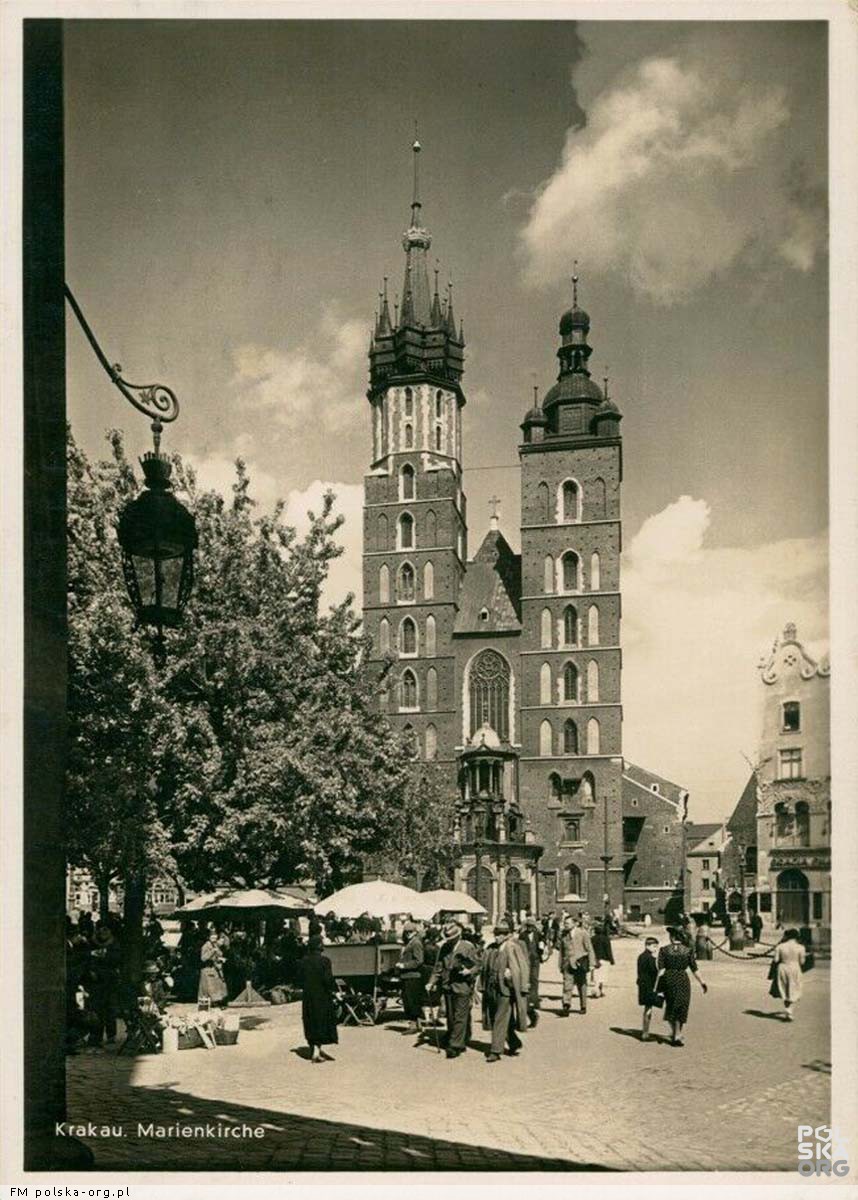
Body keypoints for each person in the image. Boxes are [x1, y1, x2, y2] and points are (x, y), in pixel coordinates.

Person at [427, 920, 481, 1058]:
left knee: (459, 1016)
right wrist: (431, 982)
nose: (449, 941)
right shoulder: (444, 948)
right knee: (451, 1016)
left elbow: (478, 965)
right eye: (448, 938)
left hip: (462, 986)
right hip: (447, 986)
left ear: (458, 936)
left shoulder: (467, 947)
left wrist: (469, 972)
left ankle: (455, 1045)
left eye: (452, 938)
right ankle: (460, 1036)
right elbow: (438, 967)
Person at [481, 919, 528, 1062]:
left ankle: (495, 1050)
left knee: (499, 1019)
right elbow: (485, 967)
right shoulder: (491, 948)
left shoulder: (512, 947)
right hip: (492, 988)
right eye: (496, 933)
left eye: (501, 934)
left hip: (506, 989)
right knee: (499, 1017)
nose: (497, 936)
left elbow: (522, 967)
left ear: (507, 935)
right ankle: (514, 1042)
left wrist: (513, 974)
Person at [655, 925, 707, 1045]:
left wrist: (657, 987)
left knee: (671, 1006)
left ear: (672, 937)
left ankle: (676, 1033)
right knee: (682, 1006)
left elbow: (661, 970)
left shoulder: (664, 950)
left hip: (669, 979)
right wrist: (702, 982)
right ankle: (677, 1034)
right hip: (683, 979)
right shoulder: (688, 951)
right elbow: (695, 969)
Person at [298, 935, 338, 1062]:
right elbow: (328, 980)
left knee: (310, 1021)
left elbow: (299, 980)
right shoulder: (325, 961)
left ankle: (314, 1050)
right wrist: (334, 991)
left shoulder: (303, 961)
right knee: (321, 1022)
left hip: (308, 996)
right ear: (320, 947)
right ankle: (316, 1052)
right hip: (322, 996)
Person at [88, 924, 121, 1045]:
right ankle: (96, 1035)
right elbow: (88, 960)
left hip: (110, 981)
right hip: (96, 981)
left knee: (111, 1009)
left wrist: (103, 957)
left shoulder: (115, 944)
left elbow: (116, 959)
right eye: (101, 930)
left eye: (106, 930)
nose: (103, 932)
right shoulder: (92, 943)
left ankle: (111, 1035)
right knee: (97, 1009)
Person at [559, 914, 594, 1015]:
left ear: (574, 924)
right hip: (567, 964)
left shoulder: (583, 933)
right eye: (564, 923)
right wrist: (560, 965)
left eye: (567, 923)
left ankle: (583, 1005)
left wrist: (591, 964)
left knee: (582, 985)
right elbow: (561, 951)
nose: (565, 925)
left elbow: (589, 948)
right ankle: (566, 1006)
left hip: (580, 964)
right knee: (567, 985)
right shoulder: (563, 935)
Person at [396, 922, 426, 1034]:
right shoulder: (411, 942)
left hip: (412, 975)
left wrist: (404, 965)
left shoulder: (416, 943)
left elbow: (419, 960)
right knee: (411, 1000)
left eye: (410, 932)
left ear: (415, 932)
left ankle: (413, 1025)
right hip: (409, 975)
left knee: (411, 1001)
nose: (408, 934)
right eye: (406, 932)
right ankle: (417, 1024)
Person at [772, 928, 807, 1021]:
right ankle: (789, 1011)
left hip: (783, 967)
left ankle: (788, 1010)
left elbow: (775, 960)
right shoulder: (801, 947)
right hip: (795, 968)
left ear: (786, 936)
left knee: (784, 989)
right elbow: (802, 962)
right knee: (793, 989)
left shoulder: (780, 947)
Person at [518, 917, 543, 1025]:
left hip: (535, 959)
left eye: (531, 926)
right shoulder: (522, 935)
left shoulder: (538, 935)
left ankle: (534, 1000)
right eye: (528, 926)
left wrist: (541, 951)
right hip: (525, 959)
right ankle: (529, 999)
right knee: (526, 979)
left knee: (535, 979)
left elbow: (542, 944)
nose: (529, 928)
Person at [636, 936, 660, 1041]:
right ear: (648, 946)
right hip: (649, 986)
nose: (656, 949)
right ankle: (645, 1033)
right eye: (654, 946)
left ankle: (645, 1031)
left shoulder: (641, 956)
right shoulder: (650, 958)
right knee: (648, 1008)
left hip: (642, 985)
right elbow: (654, 971)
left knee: (647, 1008)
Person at [198, 930, 228, 1006]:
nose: (214, 938)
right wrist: (212, 952)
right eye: (212, 936)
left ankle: (216, 1002)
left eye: (215, 937)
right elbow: (203, 958)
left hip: (215, 969)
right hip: (207, 969)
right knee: (208, 988)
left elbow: (218, 956)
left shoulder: (215, 945)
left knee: (216, 986)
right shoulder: (206, 946)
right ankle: (208, 1003)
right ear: (209, 937)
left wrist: (220, 959)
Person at [590, 917, 615, 998]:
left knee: (596, 976)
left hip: (595, 959)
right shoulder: (606, 939)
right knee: (602, 976)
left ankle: (596, 991)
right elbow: (609, 950)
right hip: (604, 959)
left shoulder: (592, 939)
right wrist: (612, 960)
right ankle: (599, 991)